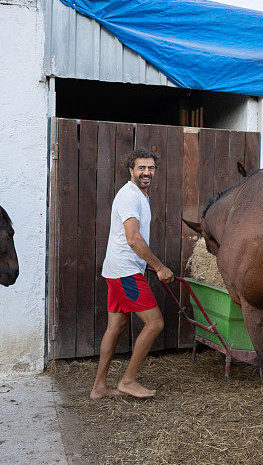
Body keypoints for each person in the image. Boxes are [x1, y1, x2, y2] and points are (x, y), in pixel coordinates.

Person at [90, 148, 174, 399]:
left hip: (118, 270)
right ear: (131, 170)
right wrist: (159, 267)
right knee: (155, 322)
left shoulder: (140, 195)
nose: (146, 172)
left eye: (150, 168)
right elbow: (133, 238)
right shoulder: (129, 196)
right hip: (125, 272)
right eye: (141, 168)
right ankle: (128, 380)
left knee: (116, 326)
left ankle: (99, 388)